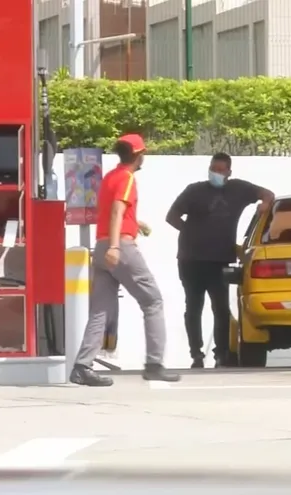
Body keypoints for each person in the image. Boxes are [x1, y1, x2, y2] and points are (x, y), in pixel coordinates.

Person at [70, 134, 181, 387]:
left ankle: (82, 367)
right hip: (119, 246)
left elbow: (111, 210)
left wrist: (135, 223)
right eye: (144, 153)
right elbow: (118, 210)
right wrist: (116, 246)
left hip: (101, 246)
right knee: (152, 301)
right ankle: (154, 364)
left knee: (100, 310)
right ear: (138, 155)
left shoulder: (110, 176)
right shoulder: (128, 178)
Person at [165, 152, 274, 368]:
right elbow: (171, 216)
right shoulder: (194, 190)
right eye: (213, 169)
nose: (216, 173)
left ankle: (220, 354)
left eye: (221, 170)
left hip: (220, 259)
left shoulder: (239, 189)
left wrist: (265, 204)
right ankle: (196, 354)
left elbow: (268, 194)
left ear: (229, 172)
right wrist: (191, 232)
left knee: (221, 308)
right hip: (191, 259)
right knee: (193, 306)